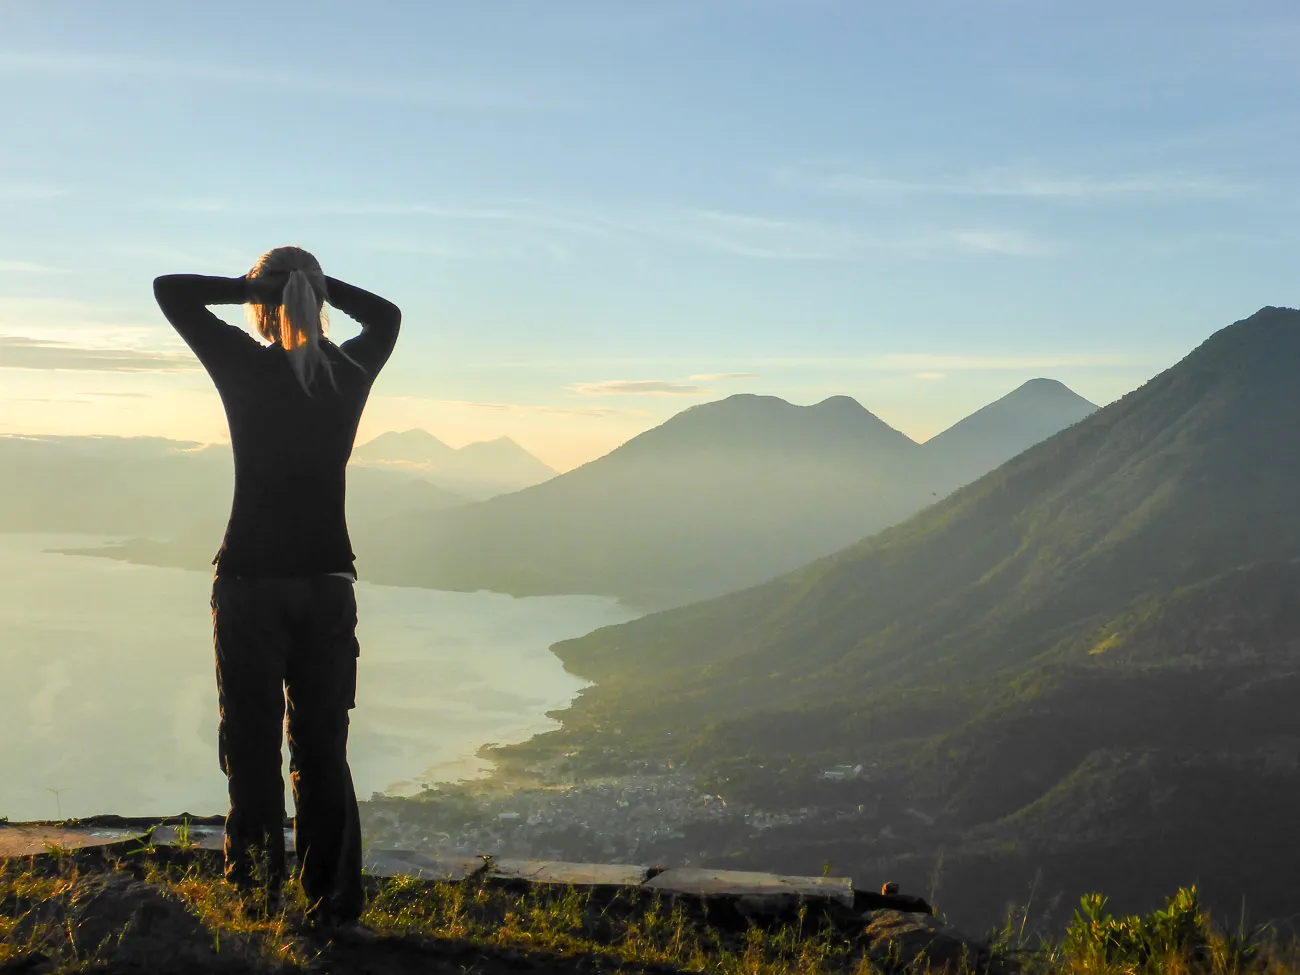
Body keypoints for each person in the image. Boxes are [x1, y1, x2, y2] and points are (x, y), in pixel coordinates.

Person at [153, 246, 400, 927]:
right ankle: (332, 906)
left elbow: (171, 289)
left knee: (254, 748)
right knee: (323, 749)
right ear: (318, 301)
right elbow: (386, 314)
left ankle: (256, 899)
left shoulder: (243, 365)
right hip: (326, 584)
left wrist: (258, 286)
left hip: (250, 582)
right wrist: (310, 286)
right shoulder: (349, 369)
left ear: (262, 307)